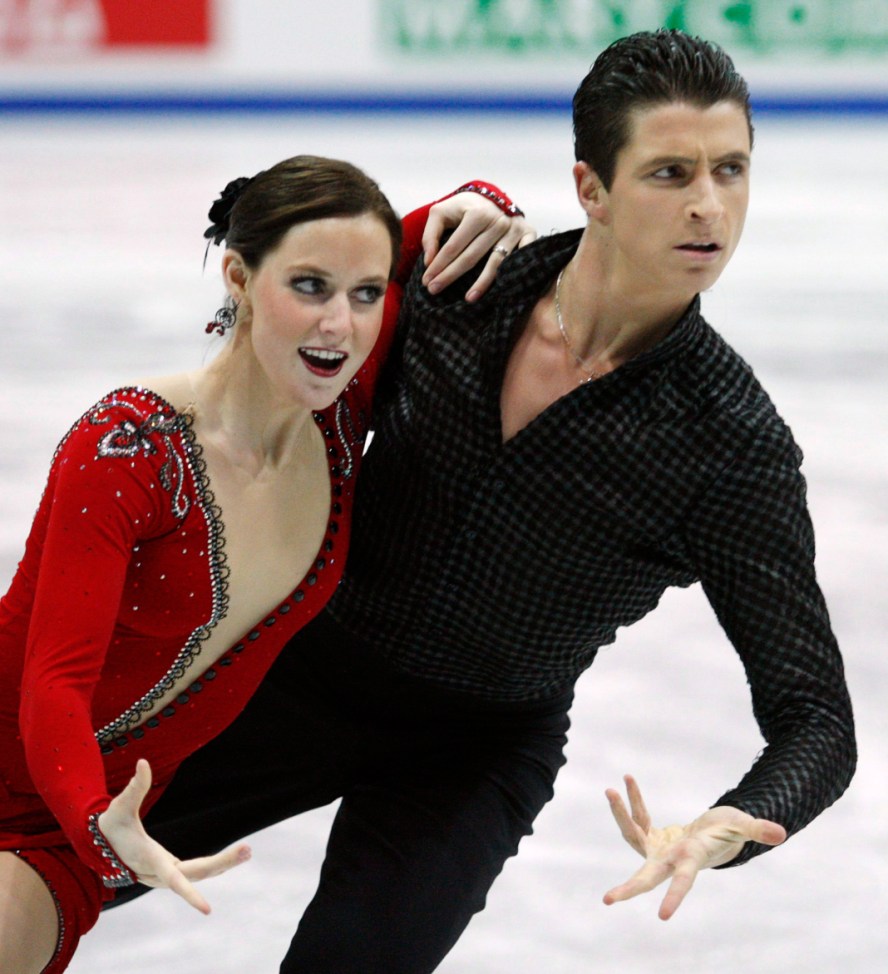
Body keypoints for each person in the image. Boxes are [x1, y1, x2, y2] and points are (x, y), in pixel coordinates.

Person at [108, 29, 856, 974]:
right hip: (295, 675)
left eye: (732, 169)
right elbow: (264, 324)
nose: (710, 206)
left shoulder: (730, 444)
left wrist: (732, 829)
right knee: (44, 866)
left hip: (473, 754)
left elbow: (816, 717)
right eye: (671, 173)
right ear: (592, 188)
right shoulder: (463, 281)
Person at [0, 153, 533, 974]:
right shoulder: (128, 448)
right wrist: (98, 818)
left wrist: (485, 201)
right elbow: (54, 682)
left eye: (364, 295)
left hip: (58, 839)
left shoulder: (335, 409)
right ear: (240, 278)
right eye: (309, 288)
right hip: (52, 779)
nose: (341, 325)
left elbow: (416, 236)